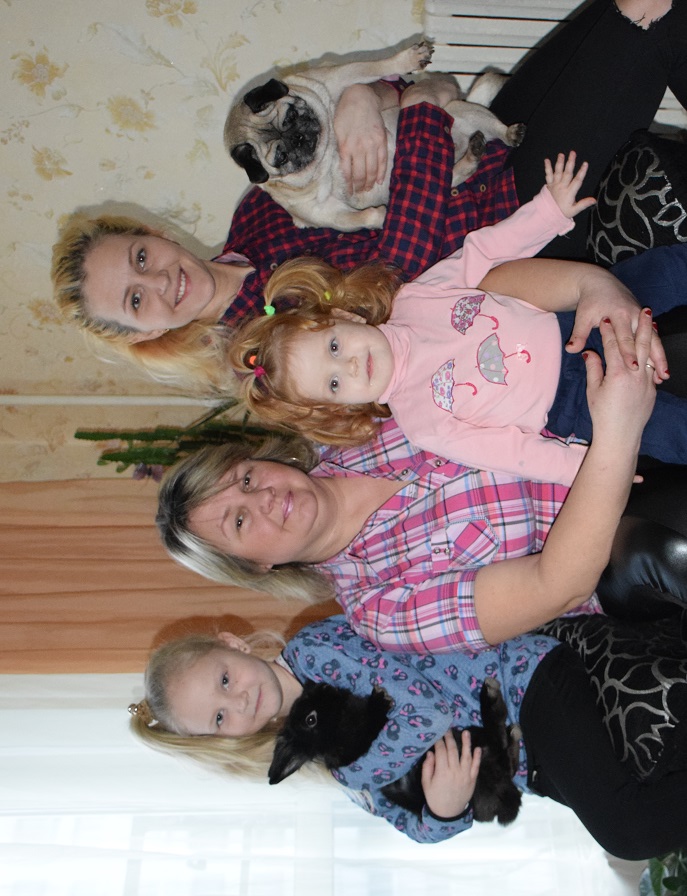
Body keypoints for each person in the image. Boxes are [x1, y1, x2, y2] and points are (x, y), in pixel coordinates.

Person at [50, 0, 687, 392]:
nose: (159, 281)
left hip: (489, 148)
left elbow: (427, 87)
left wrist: (364, 96)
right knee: (650, 14)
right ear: (145, 334)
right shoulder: (266, 341)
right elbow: (402, 273)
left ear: (153, 236)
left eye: (140, 258)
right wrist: (420, 112)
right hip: (520, 226)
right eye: (136, 299)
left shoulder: (256, 212)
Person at [155, 307, 687, 654]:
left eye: (246, 480)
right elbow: (556, 584)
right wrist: (618, 432)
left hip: (584, 409)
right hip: (614, 535)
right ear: (256, 567)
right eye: (240, 521)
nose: (265, 498)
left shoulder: (350, 418)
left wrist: (591, 292)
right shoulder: (381, 609)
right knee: (661, 543)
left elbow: (453, 309)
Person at [227, 154, 687, 486]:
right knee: (673, 433)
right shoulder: (420, 423)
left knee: (666, 271)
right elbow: (509, 452)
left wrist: (548, 213)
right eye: (333, 384)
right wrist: (583, 469)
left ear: (344, 315)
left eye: (333, 347)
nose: (347, 366)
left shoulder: (415, 297)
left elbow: (482, 251)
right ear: (342, 407)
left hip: (571, 320)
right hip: (574, 403)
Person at [128, 612, 687, 858]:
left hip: (522, 684)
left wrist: (366, 774)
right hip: (525, 761)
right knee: (645, 796)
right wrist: (443, 808)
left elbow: (424, 712)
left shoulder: (315, 652)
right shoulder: (324, 760)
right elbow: (412, 825)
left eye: (224, 680)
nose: (238, 701)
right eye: (219, 719)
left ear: (234, 644)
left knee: (629, 833)